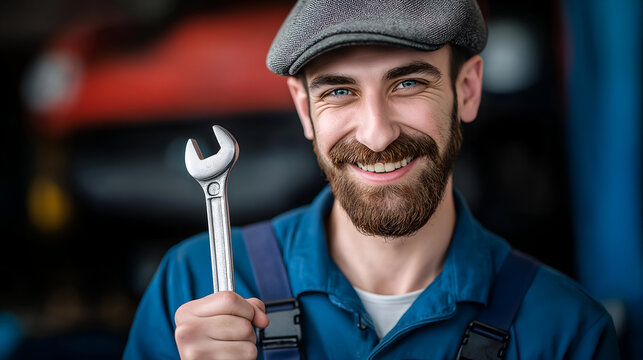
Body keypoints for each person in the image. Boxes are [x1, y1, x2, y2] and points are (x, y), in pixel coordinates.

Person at [123, 0, 620, 359]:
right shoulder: (192, 285)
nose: (377, 134)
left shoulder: (565, 333)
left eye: (408, 83)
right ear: (304, 108)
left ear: (467, 90)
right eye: (339, 91)